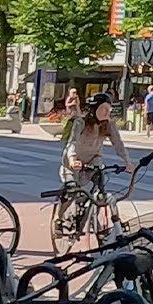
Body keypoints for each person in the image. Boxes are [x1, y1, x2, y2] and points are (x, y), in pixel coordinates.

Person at [57, 93, 132, 232]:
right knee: (71, 192)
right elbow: (72, 142)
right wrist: (72, 159)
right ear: (94, 109)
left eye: (109, 109)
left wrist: (127, 161)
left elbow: (118, 144)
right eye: (103, 109)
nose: (107, 112)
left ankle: (94, 218)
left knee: (100, 189)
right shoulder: (80, 123)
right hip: (73, 162)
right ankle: (59, 218)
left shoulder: (109, 125)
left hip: (93, 160)